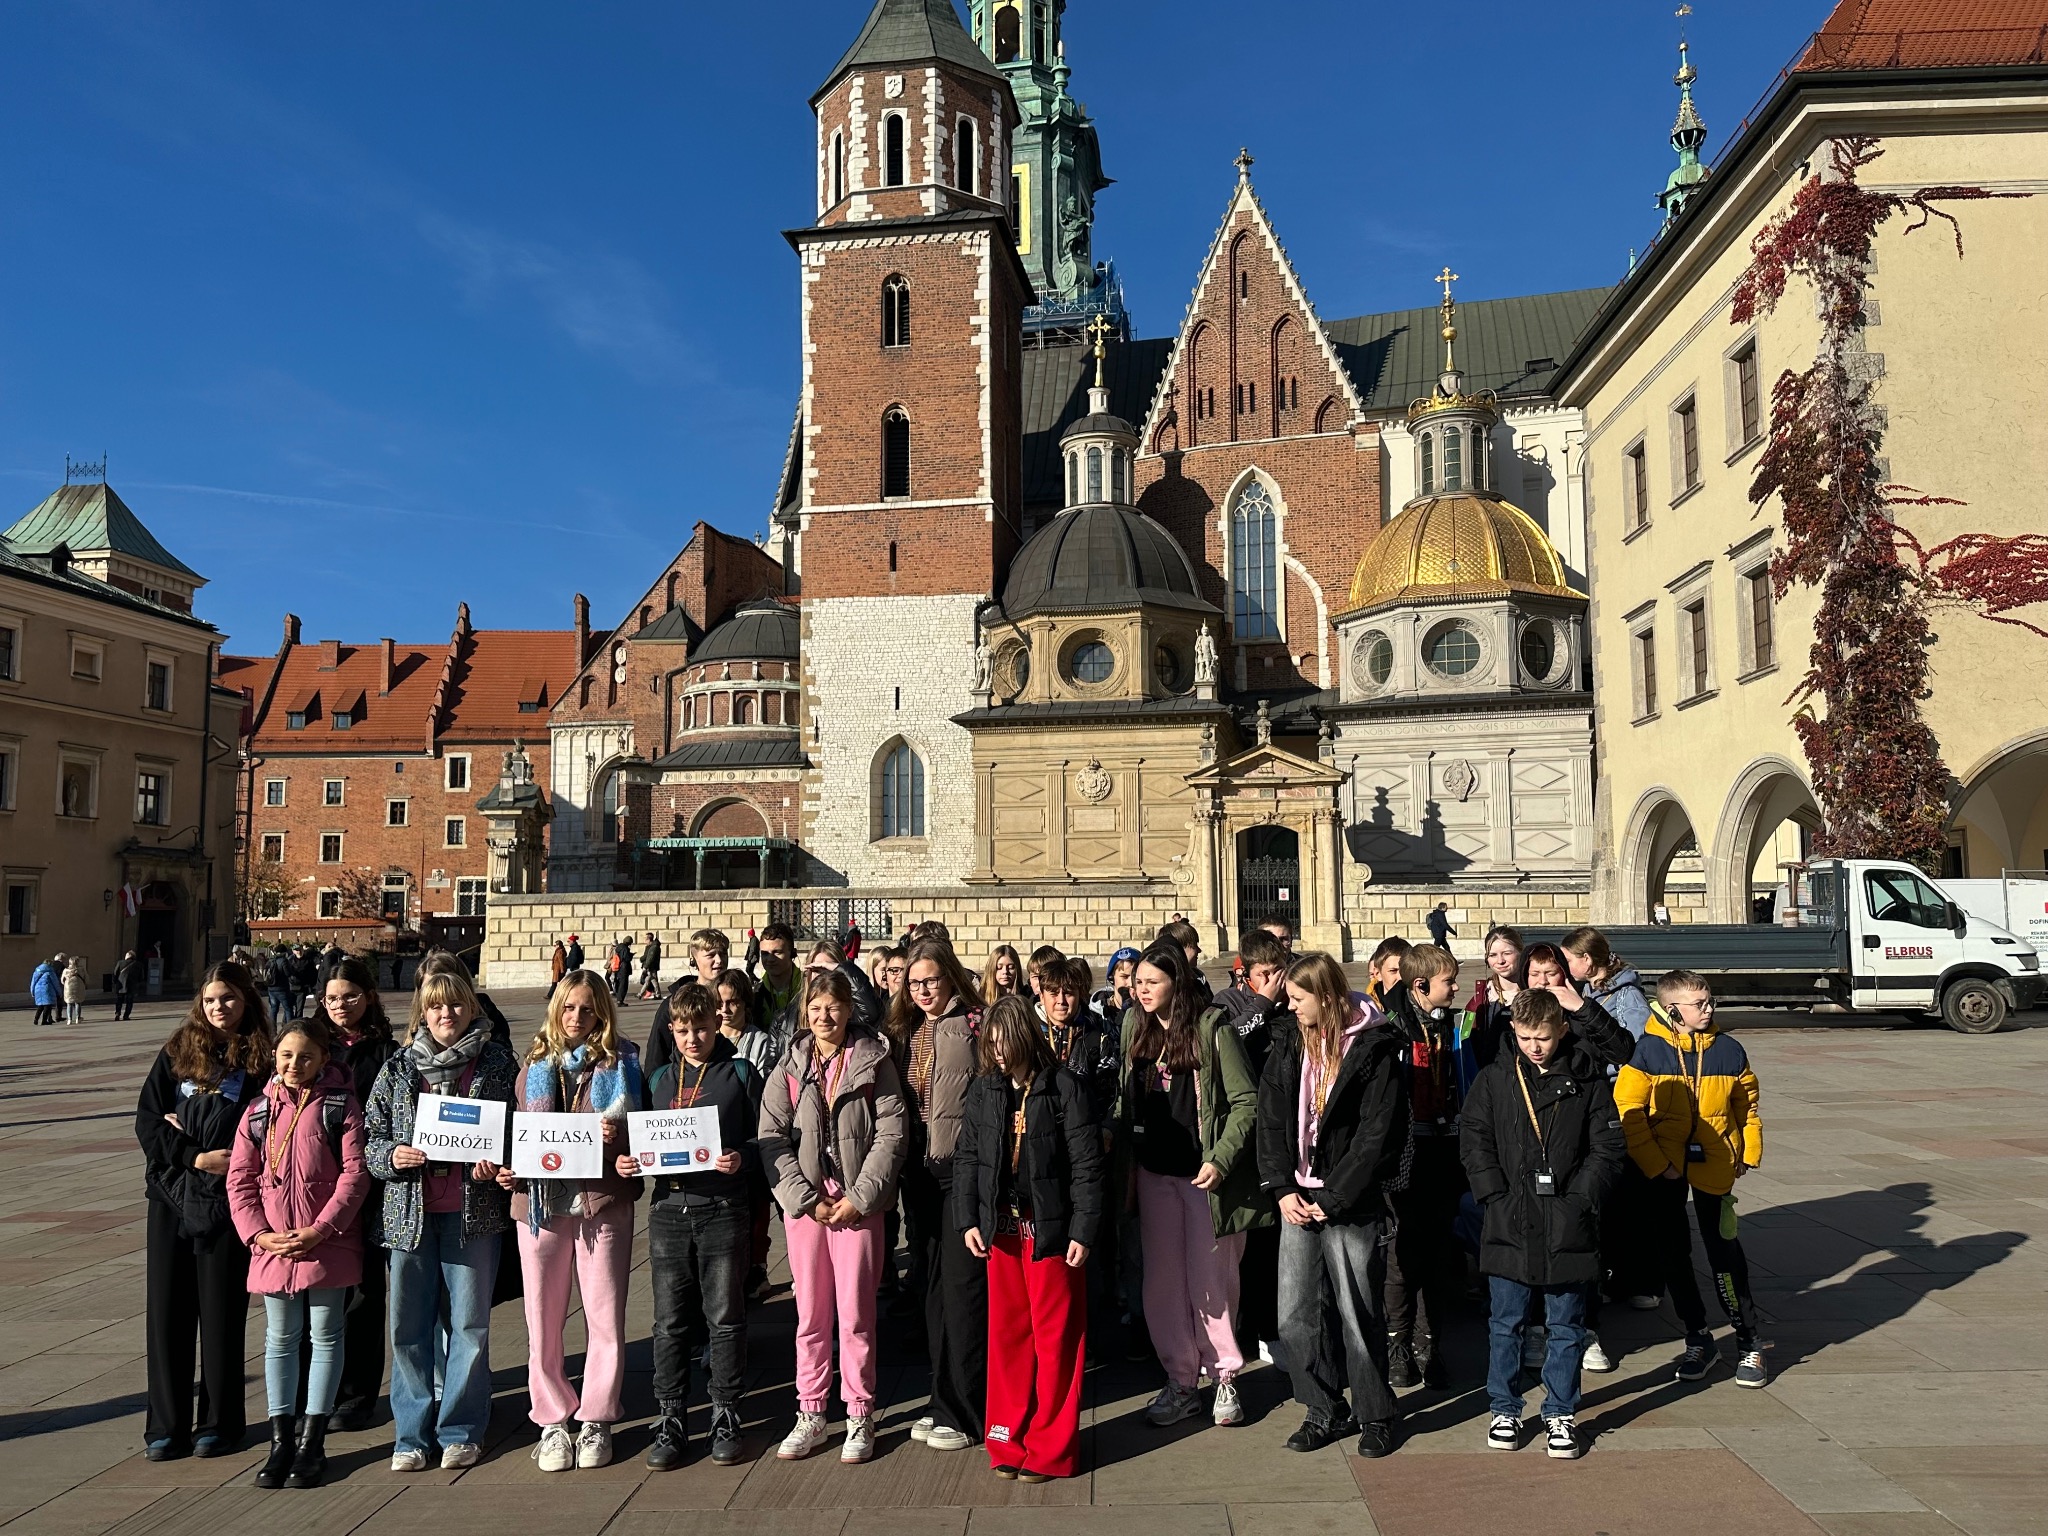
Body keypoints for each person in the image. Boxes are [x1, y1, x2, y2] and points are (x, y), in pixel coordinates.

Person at [1459, 989, 1626, 1460]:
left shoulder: (1587, 1079)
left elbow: (1608, 1147)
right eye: (1527, 1036)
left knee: (1566, 1324)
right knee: (1506, 1322)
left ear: (1562, 1031)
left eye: (1544, 1038)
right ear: (1514, 1031)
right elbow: (1474, 1138)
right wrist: (1492, 1193)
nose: (1535, 1046)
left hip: (1567, 1219)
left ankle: (1560, 1411)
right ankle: (1504, 1407)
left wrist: (1580, 1199)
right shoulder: (1495, 1079)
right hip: (1510, 1216)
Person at [363, 967, 518, 1472]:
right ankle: (410, 1435)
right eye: (436, 1006)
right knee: (408, 1329)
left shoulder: (496, 1064)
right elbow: (370, 1139)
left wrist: (496, 1161)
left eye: (455, 1004)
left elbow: (515, 1131)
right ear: (422, 1013)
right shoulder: (399, 1068)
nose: (446, 1014)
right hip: (409, 1216)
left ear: (471, 1008)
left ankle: (460, 1430)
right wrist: (393, 1156)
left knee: (469, 1325)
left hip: (473, 1214)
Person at [1257, 951, 1406, 1458]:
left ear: (1326, 997)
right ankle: (1323, 1409)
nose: (1290, 1006)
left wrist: (1334, 1196)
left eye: (1298, 999)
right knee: (1295, 1314)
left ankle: (1376, 1413)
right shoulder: (1286, 1039)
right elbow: (1270, 1118)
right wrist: (1281, 1188)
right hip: (1297, 1196)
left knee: (1357, 1311)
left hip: (1349, 1200)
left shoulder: (1375, 1046)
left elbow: (1376, 1135)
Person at [760, 970, 908, 1463]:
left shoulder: (873, 1061)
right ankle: (811, 1409)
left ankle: (860, 1412)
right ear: (806, 1012)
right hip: (807, 1207)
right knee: (811, 1314)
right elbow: (771, 1137)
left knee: (856, 1314)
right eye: (816, 1008)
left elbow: (891, 1134)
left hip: (857, 1203)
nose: (824, 1016)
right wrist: (804, 1198)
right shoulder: (790, 1064)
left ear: (849, 1011)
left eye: (834, 1007)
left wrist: (861, 1196)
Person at [953, 997, 1103, 1481]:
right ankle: (1006, 1436)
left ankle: (1051, 1447)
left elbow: (1085, 1165)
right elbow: (969, 1158)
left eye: (1004, 1043)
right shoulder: (984, 1089)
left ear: (1024, 1037)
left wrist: (1083, 1228)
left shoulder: (1064, 1087)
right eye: (990, 1044)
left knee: (1055, 1338)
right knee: (1008, 1335)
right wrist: (968, 1218)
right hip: (1002, 1229)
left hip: (1051, 1229)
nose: (997, 1053)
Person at [1118, 941, 1266, 1428]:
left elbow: (1246, 1102)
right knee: (1162, 1284)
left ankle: (1224, 1375)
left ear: (1175, 984)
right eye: (1137, 982)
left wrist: (1221, 1160)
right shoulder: (1132, 1028)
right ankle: (1180, 1379)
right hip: (1153, 1173)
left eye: (1151, 982)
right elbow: (1125, 1097)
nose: (1141, 990)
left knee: (1212, 1283)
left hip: (1204, 1178)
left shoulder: (1212, 1029)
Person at [136, 960, 273, 1459]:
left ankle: (220, 1423)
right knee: (168, 1313)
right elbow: (150, 1123)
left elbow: (266, 1122)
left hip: (228, 1200)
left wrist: (226, 1154)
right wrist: (192, 1153)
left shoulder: (261, 1059)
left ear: (247, 1000)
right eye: (212, 999)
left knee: (221, 1315)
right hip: (172, 1196)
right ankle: (165, 1426)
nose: (220, 1007)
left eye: (230, 998)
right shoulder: (177, 1052)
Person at [228, 1016, 370, 1490]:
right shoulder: (257, 1112)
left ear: (323, 1059)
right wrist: (258, 1235)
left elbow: (355, 1175)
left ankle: (313, 1441)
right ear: (274, 1055)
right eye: (287, 1055)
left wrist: (320, 1229)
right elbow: (240, 1180)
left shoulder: (341, 1107)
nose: (294, 1064)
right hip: (273, 1244)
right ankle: (280, 1441)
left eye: (306, 1056)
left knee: (327, 1336)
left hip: (326, 1240)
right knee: (280, 1339)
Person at [512, 970, 644, 1472]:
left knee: (604, 1316)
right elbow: (514, 1132)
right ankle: (551, 1420)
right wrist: (505, 1167)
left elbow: (647, 1132)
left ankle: (596, 1418)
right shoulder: (533, 1066)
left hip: (602, 1200)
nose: (576, 1018)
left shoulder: (624, 1061)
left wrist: (623, 1138)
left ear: (602, 1012)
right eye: (568, 1008)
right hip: (542, 1205)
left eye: (587, 1009)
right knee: (542, 1318)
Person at [1614, 970, 1768, 1389]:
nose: (1709, 1008)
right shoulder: (1647, 1051)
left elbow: (1747, 1106)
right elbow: (1629, 1112)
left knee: (1724, 1253)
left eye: (1709, 1000)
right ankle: (1698, 1335)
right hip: (1665, 1168)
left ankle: (1748, 1337)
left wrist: (1746, 1152)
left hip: (1716, 1164)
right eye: (1698, 1004)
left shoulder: (1730, 1050)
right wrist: (1656, 1164)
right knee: (1673, 1254)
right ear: (1672, 1009)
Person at [630, 982, 758, 1470]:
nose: (692, 1038)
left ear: (716, 1024)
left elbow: (763, 1139)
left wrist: (740, 1158)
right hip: (669, 1211)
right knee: (669, 1322)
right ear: (671, 1030)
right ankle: (671, 1415)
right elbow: (642, 1142)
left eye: (701, 1028)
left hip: (723, 1208)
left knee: (725, 1318)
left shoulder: (739, 1072)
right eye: (682, 1030)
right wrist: (630, 1163)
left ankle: (726, 1412)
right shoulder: (660, 1077)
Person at [884, 939, 987, 1452]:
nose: (924, 990)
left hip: (960, 1171)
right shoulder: (903, 1030)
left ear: (951, 978)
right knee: (930, 1286)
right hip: (918, 1172)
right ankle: (940, 1395)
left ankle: (966, 1409)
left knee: (963, 1288)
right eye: (915, 982)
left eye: (933, 980)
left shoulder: (974, 1023)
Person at [1379, 943, 1469, 1390]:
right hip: (1405, 1155)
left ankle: (1428, 1344)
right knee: (1401, 1257)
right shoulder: (1390, 1025)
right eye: (1448, 982)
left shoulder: (1451, 1024)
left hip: (1444, 1149)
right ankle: (1397, 1345)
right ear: (1420, 986)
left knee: (1436, 1256)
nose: (1455, 988)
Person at [320, 959, 401, 1431]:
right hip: (316, 1184)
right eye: (331, 998)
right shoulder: (312, 1047)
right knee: (320, 1287)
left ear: (368, 996)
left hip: (370, 1185)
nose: (340, 1006)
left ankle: (357, 1394)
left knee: (366, 1291)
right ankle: (318, 1389)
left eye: (350, 996)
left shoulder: (387, 1050)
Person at [1212, 928, 1293, 1364]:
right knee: (1240, 1243)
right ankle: (1238, 1329)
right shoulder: (1228, 1005)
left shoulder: (1291, 1005)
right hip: (1244, 1137)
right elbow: (1229, 1042)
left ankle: (1270, 1327)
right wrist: (1262, 1005)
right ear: (1246, 974)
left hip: (1280, 1132)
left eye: (1277, 973)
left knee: (1271, 1243)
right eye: (1264, 974)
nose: (1273, 983)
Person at [1559, 926, 1652, 1044]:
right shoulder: (1584, 992)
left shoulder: (1629, 996)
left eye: (1568, 961)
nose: (1564, 966)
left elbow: (1638, 1044)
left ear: (1587, 959)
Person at [1464, 925, 1525, 1080]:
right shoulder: (1480, 1000)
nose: (1500, 961)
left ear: (1520, 952)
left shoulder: (1535, 992)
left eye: (1507, 953)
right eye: (1493, 955)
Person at [753, 923, 802, 1030]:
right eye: (765, 954)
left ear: (792, 953)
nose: (770, 959)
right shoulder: (756, 994)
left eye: (777, 952)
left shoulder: (808, 988)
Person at [1155, 920, 1212, 1006]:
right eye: (1194, 945)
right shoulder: (1162, 985)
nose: (1199, 950)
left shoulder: (1199, 978)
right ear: (1179, 949)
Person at [1094, 946, 1140, 1024]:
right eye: (1124, 977)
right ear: (1112, 978)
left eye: (1134, 977)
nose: (1131, 983)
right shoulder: (1098, 1013)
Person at [1365, 936, 1412, 1011]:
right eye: (1393, 971)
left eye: (1406, 970)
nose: (1401, 977)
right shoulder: (1368, 1011)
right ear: (1377, 974)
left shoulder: (1424, 1005)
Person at [31, 952, 62, 1026]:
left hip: (37, 989)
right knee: (47, 1006)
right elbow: (55, 983)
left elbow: (33, 982)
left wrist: (32, 991)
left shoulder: (36, 971)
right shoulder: (50, 972)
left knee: (40, 1006)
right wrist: (59, 992)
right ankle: (44, 1021)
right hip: (47, 990)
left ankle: (36, 1019)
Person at [264, 951, 293, 1031]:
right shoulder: (283, 960)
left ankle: (272, 1030)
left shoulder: (270, 960)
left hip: (271, 989)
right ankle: (289, 1029)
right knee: (288, 1009)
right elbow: (288, 973)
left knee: (273, 1009)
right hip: (282, 989)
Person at [115, 949, 143, 1021]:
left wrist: (116, 982)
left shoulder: (120, 963)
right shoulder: (138, 964)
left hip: (121, 986)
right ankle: (126, 1015)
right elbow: (141, 976)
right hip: (132, 986)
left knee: (119, 1000)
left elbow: (115, 973)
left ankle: (117, 1013)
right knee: (129, 1001)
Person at [62, 952, 88, 1026]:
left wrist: (65, 984)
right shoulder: (81, 969)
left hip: (68, 988)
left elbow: (62, 980)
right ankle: (77, 1018)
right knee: (78, 1002)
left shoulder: (66, 970)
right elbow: (86, 977)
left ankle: (69, 1019)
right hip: (79, 987)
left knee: (69, 1003)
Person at [639, 931, 664, 999]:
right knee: (653, 980)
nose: (644, 941)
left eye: (645, 939)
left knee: (649, 980)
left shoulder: (653, 947)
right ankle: (657, 994)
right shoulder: (651, 946)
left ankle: (641, 994)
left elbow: (650, 958)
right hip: (651, 966)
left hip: (651, 966)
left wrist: (646, 966)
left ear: (648, 939)